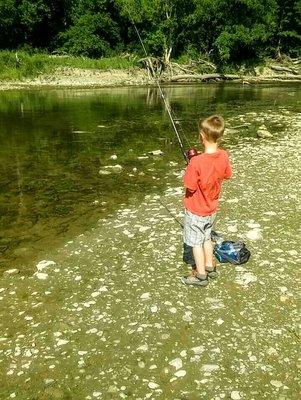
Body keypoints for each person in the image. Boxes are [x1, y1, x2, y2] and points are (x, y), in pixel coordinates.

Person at [181, 115, 232, 286]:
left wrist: (190, 166)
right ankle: (210, 265)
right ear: (220, 136)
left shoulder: (196, 162)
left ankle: (201, 275)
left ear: (201, 136)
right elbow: (226, 174)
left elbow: (190, 186)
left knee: (196, 243)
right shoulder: (224, 155)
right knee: (207, 237)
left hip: (196, 210)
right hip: (211, 209)